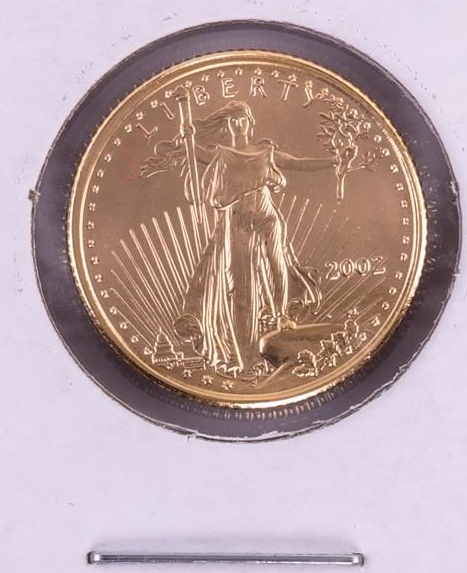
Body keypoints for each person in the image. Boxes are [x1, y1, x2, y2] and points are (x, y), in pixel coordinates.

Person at [140, 100, 335, 380]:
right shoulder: (221, 154)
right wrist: (186, 137)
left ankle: (281, 317)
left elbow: (297, 163)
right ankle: (245, 355)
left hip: (267, 216)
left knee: (278, 265)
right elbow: (195, 151)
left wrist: (332, 162)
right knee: (240, 286)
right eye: (233, 120)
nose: (238, 124)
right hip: (236, 221)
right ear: (226, 125)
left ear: (250, 122)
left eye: (242, 119)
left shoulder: (266, 152)